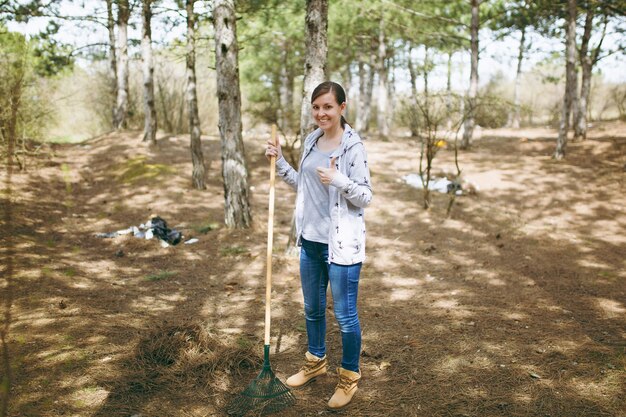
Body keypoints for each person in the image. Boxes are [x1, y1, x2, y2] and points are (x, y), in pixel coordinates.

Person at [265, 81, 372, 410]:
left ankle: (349, 376)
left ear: (342, 108)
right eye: (316, 107)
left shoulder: (353, 147)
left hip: (341, 247)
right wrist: (281, 162)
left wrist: (339, 179)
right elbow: (304, 185)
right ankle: (315, 362)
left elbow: (365, 196)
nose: (321, 113)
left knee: (345, 316)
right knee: (312, 309)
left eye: (327, 106)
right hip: (310, 242)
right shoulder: (312, 139)